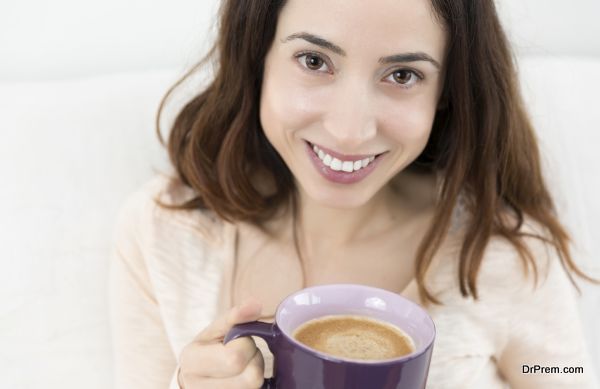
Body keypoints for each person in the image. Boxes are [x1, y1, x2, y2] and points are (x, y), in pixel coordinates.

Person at [108, 0, 599, 388]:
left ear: (447, 89)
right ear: (256, 54)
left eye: (403, 75)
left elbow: (565, 377)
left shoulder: (499, 252)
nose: (349, 131)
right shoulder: (162, 232)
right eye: (314, 60)